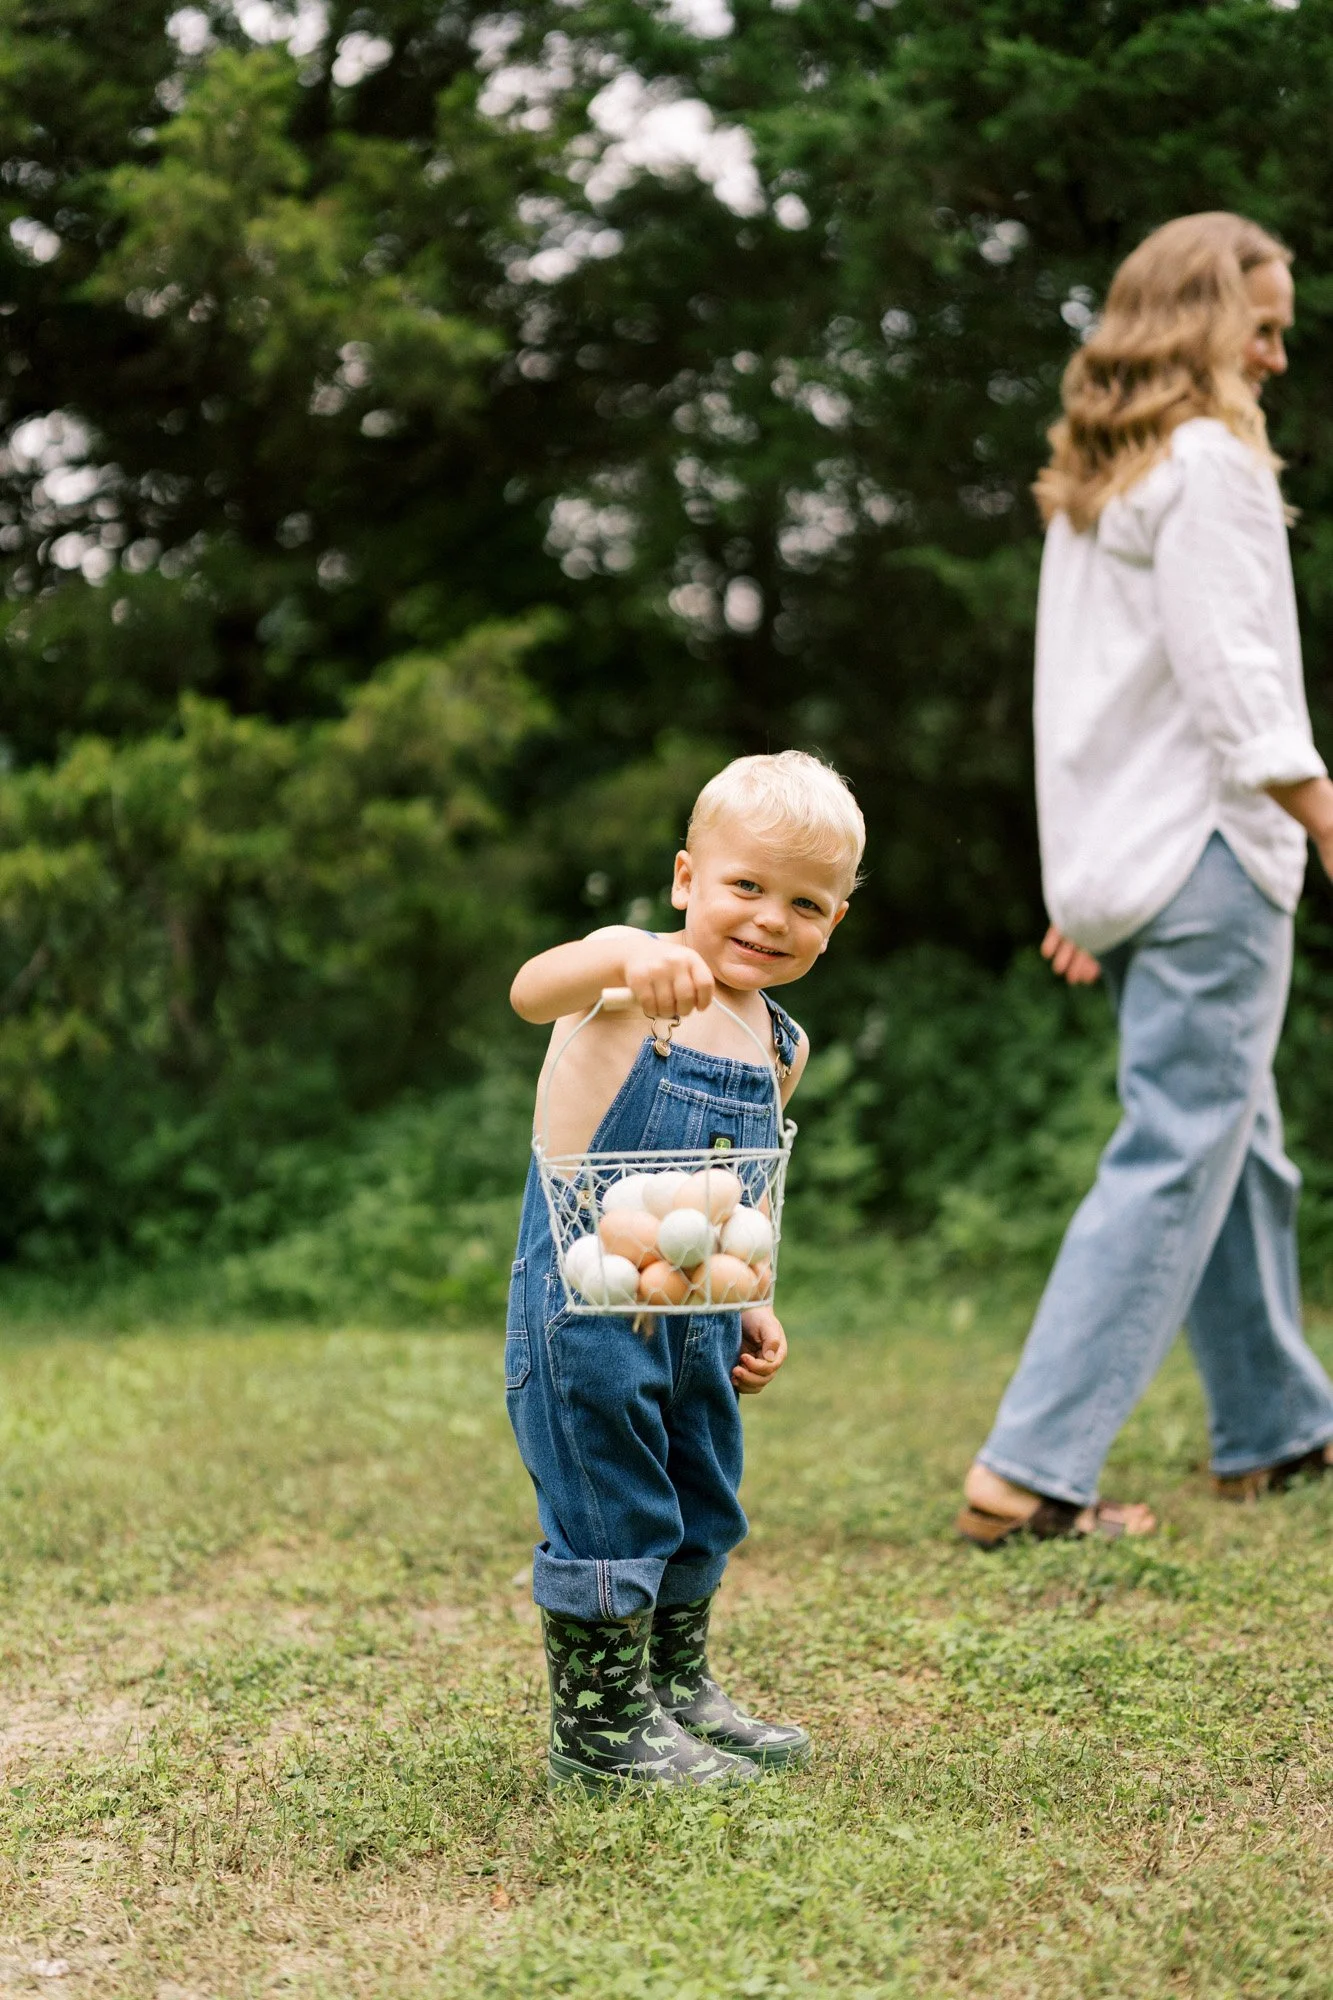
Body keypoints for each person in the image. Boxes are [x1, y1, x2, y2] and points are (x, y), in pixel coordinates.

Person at [958, 211, 1333, 1549]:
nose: (1276, 357)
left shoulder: (1099, 482)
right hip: (1214, 852)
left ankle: (1277, 1427)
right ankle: (1029, 1470)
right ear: (1201, 321)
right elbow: (1234, 678)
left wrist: (1090, 883)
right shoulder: (1206, 464)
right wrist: (1319, 804)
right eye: (1265, 326)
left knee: (1238, 1146)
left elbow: (1096, 700)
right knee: (1181, 1145)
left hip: (1139, 861)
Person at [507, 750, 864, 1786]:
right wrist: (621, 949)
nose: (767, 918)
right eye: (744, 886)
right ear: (684, 880)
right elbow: (531, 989)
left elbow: (737, 1204)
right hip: (586, 1317)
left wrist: (753, 1300)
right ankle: (602, 1725)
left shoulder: (778, 1041)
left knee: (701, 1489)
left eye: (804, 901)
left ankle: (676, 1687)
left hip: (697, 1314)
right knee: (612, 1499)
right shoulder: (622, 984)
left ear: (833, 920)